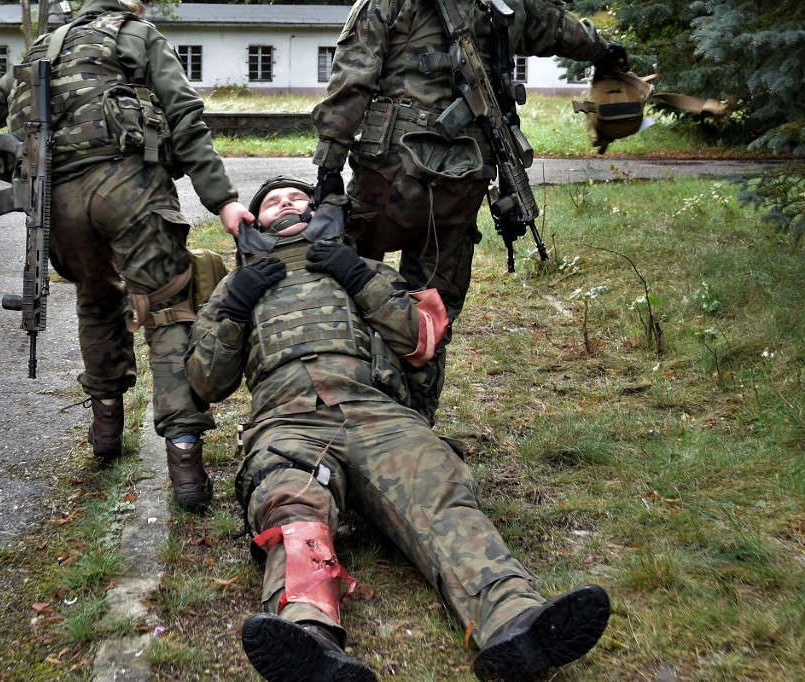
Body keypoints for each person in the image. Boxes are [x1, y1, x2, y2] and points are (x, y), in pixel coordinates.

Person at [185, 176, 610, 682]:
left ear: (319, 212)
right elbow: (207, 380)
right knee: (290, 504)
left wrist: (358, 279)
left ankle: (514, 617)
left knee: (438, 489)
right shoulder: (236, 289)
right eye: (273, 201)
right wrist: (236, 306)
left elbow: (419, 339)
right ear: (255, 223)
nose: (287, 205)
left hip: (375, 412)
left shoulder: (361, 269)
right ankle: (309, 634)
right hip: (287, 421)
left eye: (298, 197)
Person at [0, 0, 252, 512]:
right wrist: (223, 198)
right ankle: (185, 459)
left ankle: (106, 428)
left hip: (56, 200)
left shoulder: (43, 48)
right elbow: (183, 113)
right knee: (168, 305)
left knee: (96, 295)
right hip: (128, 186)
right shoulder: (136, 33)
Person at [310, 0, 627, 423]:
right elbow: (557, 29)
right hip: (463, 176)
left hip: (389, 174)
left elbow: (353, 77)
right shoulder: (508, 3)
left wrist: (329, 165)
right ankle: (414, 421)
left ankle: (344, 406)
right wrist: (605, 50)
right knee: (432, 307)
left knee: (353, 282)